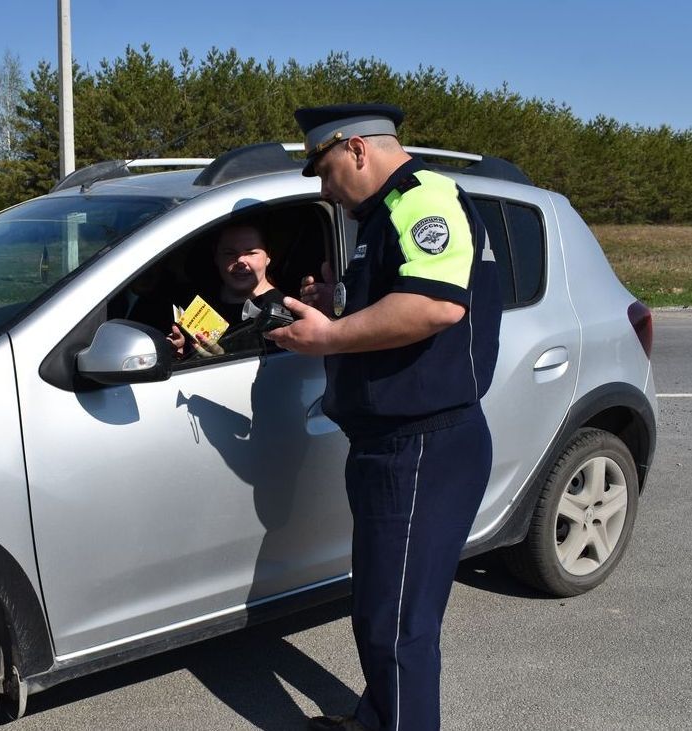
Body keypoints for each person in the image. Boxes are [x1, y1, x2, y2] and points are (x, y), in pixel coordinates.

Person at [265, 104, 502, 731]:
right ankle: (378, 719)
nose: (322, 188)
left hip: (422, 444)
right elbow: (400, 297)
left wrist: (328, 337)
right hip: (392, 442)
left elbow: (433, 306)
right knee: (380, 611)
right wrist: (337, 303)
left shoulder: (423, 199)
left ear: (356, 150)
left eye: (322, 169)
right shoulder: (382, 213)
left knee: (399, 627)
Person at [168, 222, 286, 358]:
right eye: (229, 253)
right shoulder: (198, 301)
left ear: (268, 257)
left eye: (251, 252)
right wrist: (182, 353)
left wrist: (222, 359)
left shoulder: (281, 313)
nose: (241, 261)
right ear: (216, 257)